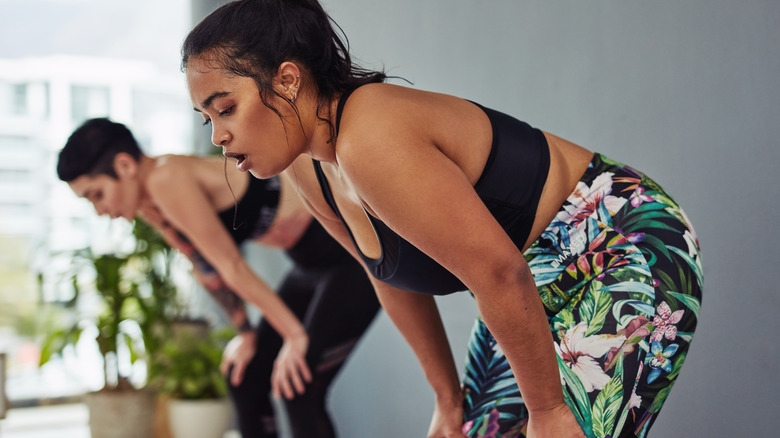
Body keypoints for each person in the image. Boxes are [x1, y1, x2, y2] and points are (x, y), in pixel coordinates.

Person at [182, 1, 704, 437]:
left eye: (225, 108)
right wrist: (446, 398)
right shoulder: (308, 167)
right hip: (528, 278)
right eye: (206, 118)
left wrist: (548, 412)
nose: (217, 138)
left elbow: (497, 274)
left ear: (288, 81)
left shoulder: (370, 137)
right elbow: (381, 271)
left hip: (617, 241)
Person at [56, 118, 381, 438]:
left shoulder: (165, 178)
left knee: (298, 384)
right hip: (308, 265)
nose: (99, 210)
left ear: (125, 165)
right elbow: (206, 268)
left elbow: (231, 266)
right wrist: (246, 333)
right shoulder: (149, 205)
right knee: (246, 378)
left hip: (349, 259)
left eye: (96, 194)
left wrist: (294, 336)